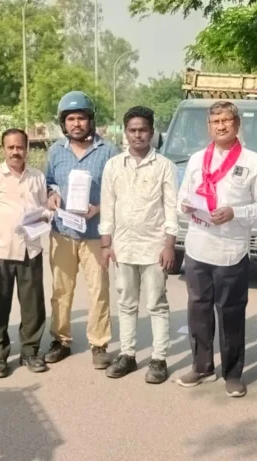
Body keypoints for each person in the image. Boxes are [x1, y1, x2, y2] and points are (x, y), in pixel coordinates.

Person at [175, 101, 257, 398]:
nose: (221, 126)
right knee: (198, 310)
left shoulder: (253, 161)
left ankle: (232, 373)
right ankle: (202, 366)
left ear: (237, 124)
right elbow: (181, 198)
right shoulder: (196, 160)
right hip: (197, 247)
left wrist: (236, 213)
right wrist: (185, 206)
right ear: (208, 126)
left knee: (231, 314)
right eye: (215, 121)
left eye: (226, 120)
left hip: (231, 251)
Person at [99, 106, 178, 384]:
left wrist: (169, 244)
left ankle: (159, 359)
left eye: (143, 130)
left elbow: (171, 208)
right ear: (125, 132)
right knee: (126, 302)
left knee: (156, 303)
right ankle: (128, 354)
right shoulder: (113, 166)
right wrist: (106, 244)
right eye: (132, 130)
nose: (137, 135)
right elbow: (107, 206)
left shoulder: (164, 166)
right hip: (123, 246)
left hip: (154, 246)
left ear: (152, 132)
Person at [44, 91, 120, 369]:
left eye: (81, 118)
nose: (76, 124)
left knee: (98, 290)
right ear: (63, 123)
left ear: (91, 120)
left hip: (95, 234)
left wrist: (98, 208)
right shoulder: (56, 151)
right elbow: (48, 182)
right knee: (61, 290)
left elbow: (119, 190)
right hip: (62, 231)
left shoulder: (109, 151)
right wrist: (51, 195)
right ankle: (61, 340)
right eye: (71, 119)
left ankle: (99, 344)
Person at [0, 129, 53, 378]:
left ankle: (30, 352)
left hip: (30, 250)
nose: (15, 152)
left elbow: (44, 208)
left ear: (27, 148)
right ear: (3, 149)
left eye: (20, 147)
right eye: (10, 147)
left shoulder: (37, 177)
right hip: (0, 250)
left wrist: (45, 216)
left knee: (33, 305)